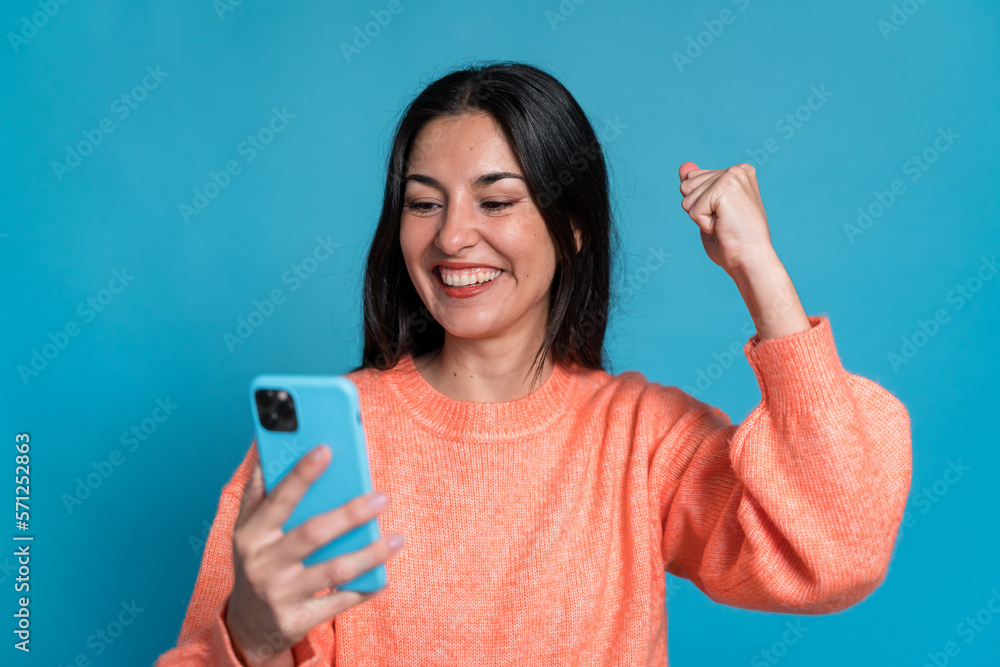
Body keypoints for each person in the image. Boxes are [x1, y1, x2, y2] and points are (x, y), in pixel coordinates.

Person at [155, 61, 912, 666]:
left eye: (496, 201)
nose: (453, 236)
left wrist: (761, 273)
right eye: (424, 203)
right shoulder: (324, 443)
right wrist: (248, 645)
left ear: (573, 225)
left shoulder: (642, 439)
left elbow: (837, 547)